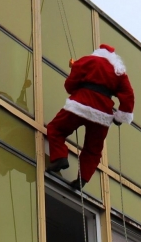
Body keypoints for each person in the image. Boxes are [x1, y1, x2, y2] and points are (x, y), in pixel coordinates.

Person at [46, 44, 135, 189]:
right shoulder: (119, 72)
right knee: (92, 150)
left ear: (98, 52)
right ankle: (83, 178)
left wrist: (75, 89)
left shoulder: (88, 60)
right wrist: (120, 117)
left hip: (81, 104)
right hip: (102, 115)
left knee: (56, 129)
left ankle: (60, 158)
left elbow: (70, 84)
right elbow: (129, 95)